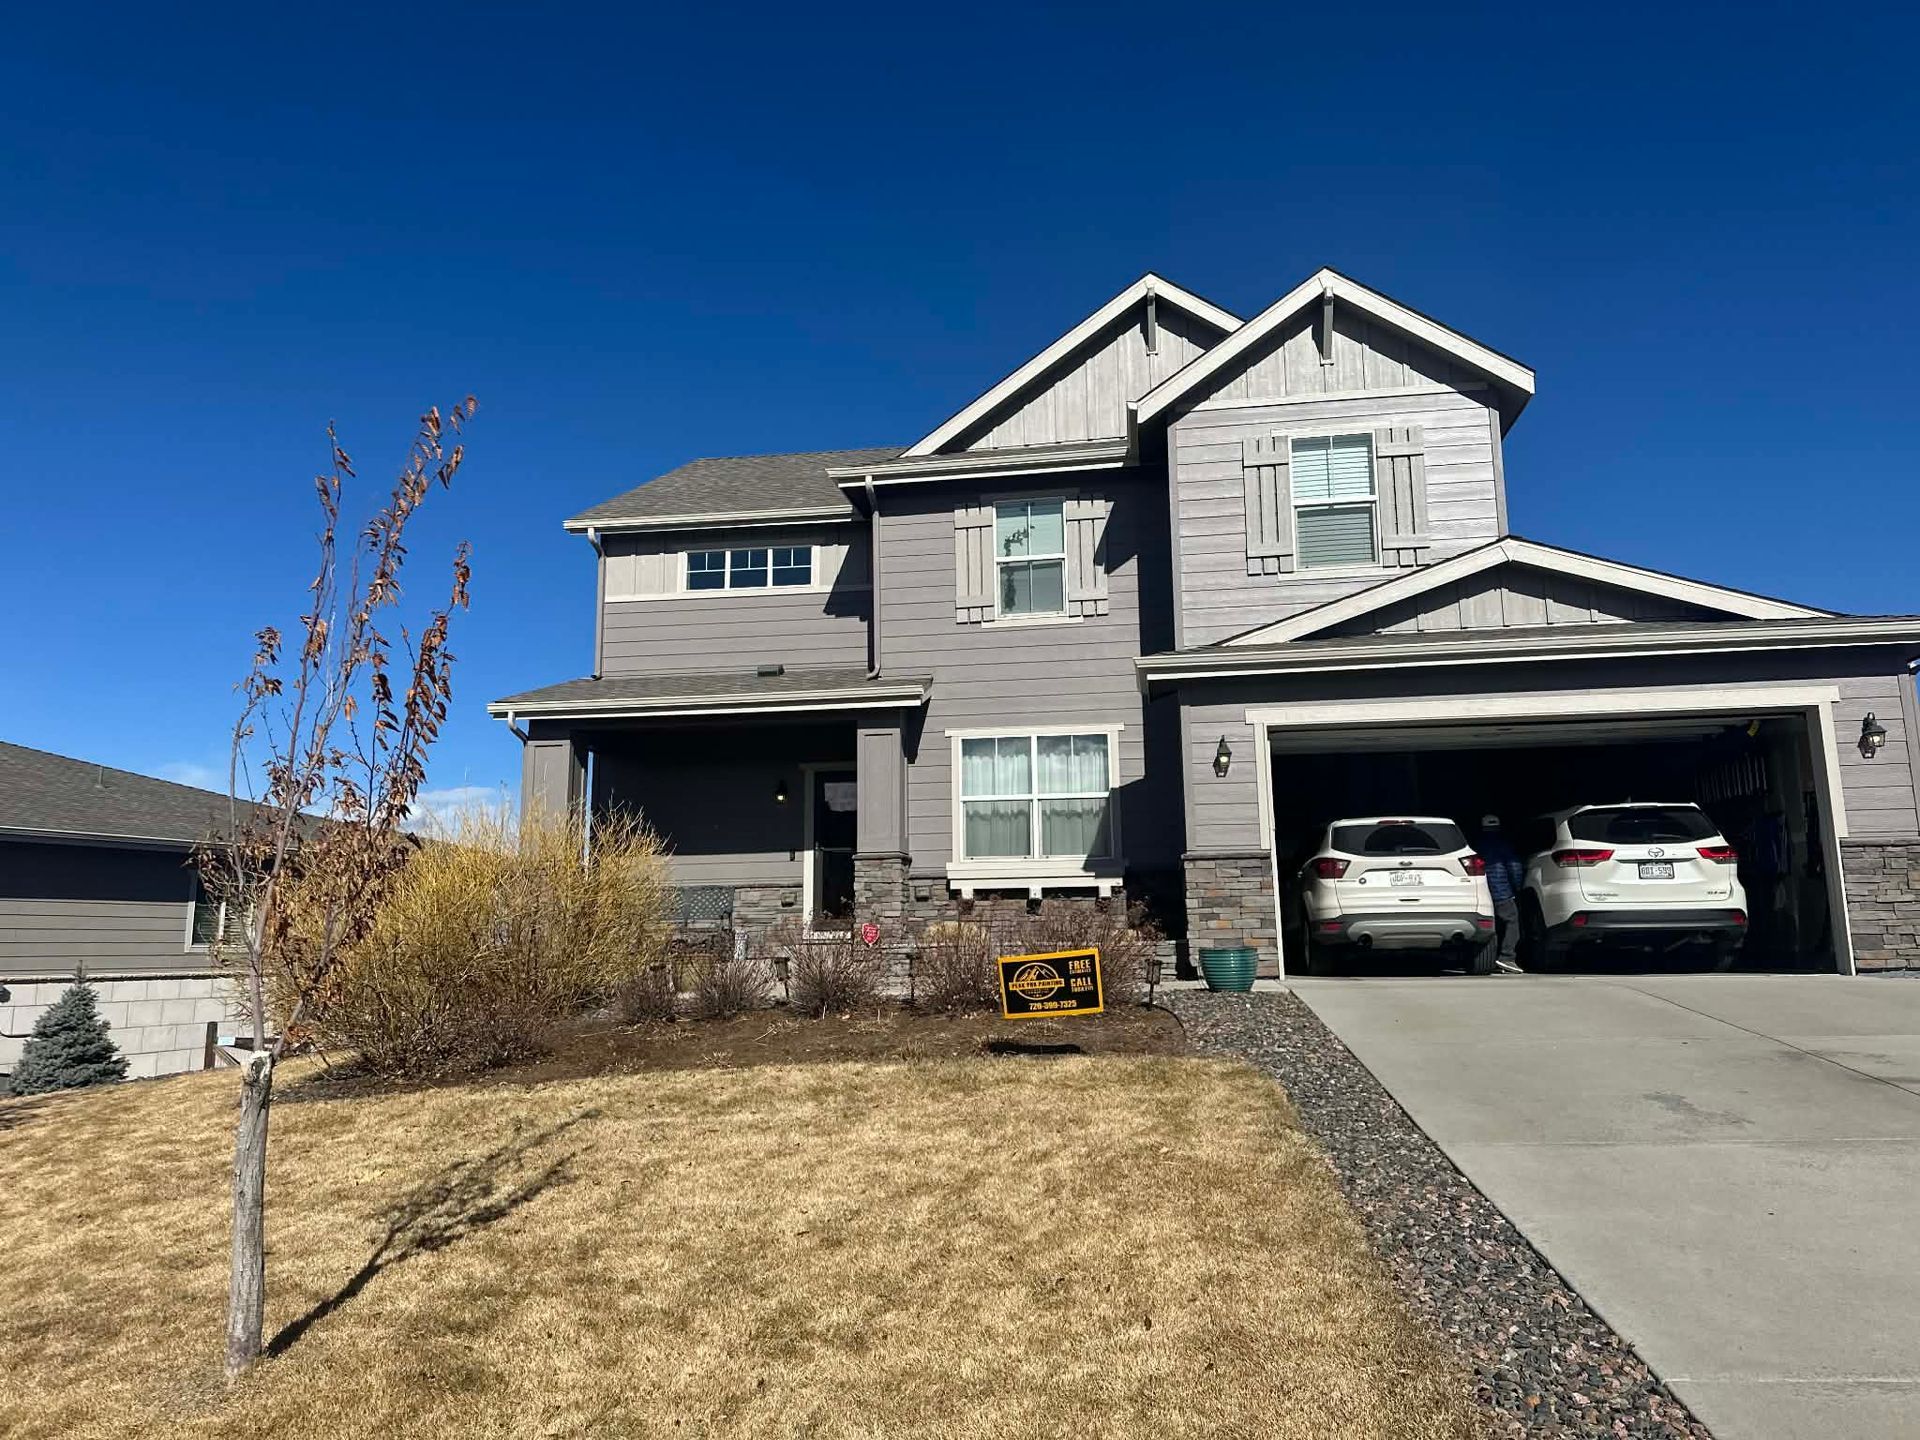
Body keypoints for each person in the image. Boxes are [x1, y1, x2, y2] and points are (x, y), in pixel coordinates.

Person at [1478, 814, 1526, 974]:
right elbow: (1514, 867)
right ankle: (1507, 957)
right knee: (1512, 921)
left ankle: (1488, 958)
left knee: (1490, 925)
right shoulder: (1503, 845)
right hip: (1502, 891)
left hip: (1481, 891)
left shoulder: (1477, 844)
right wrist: (1518, 888)